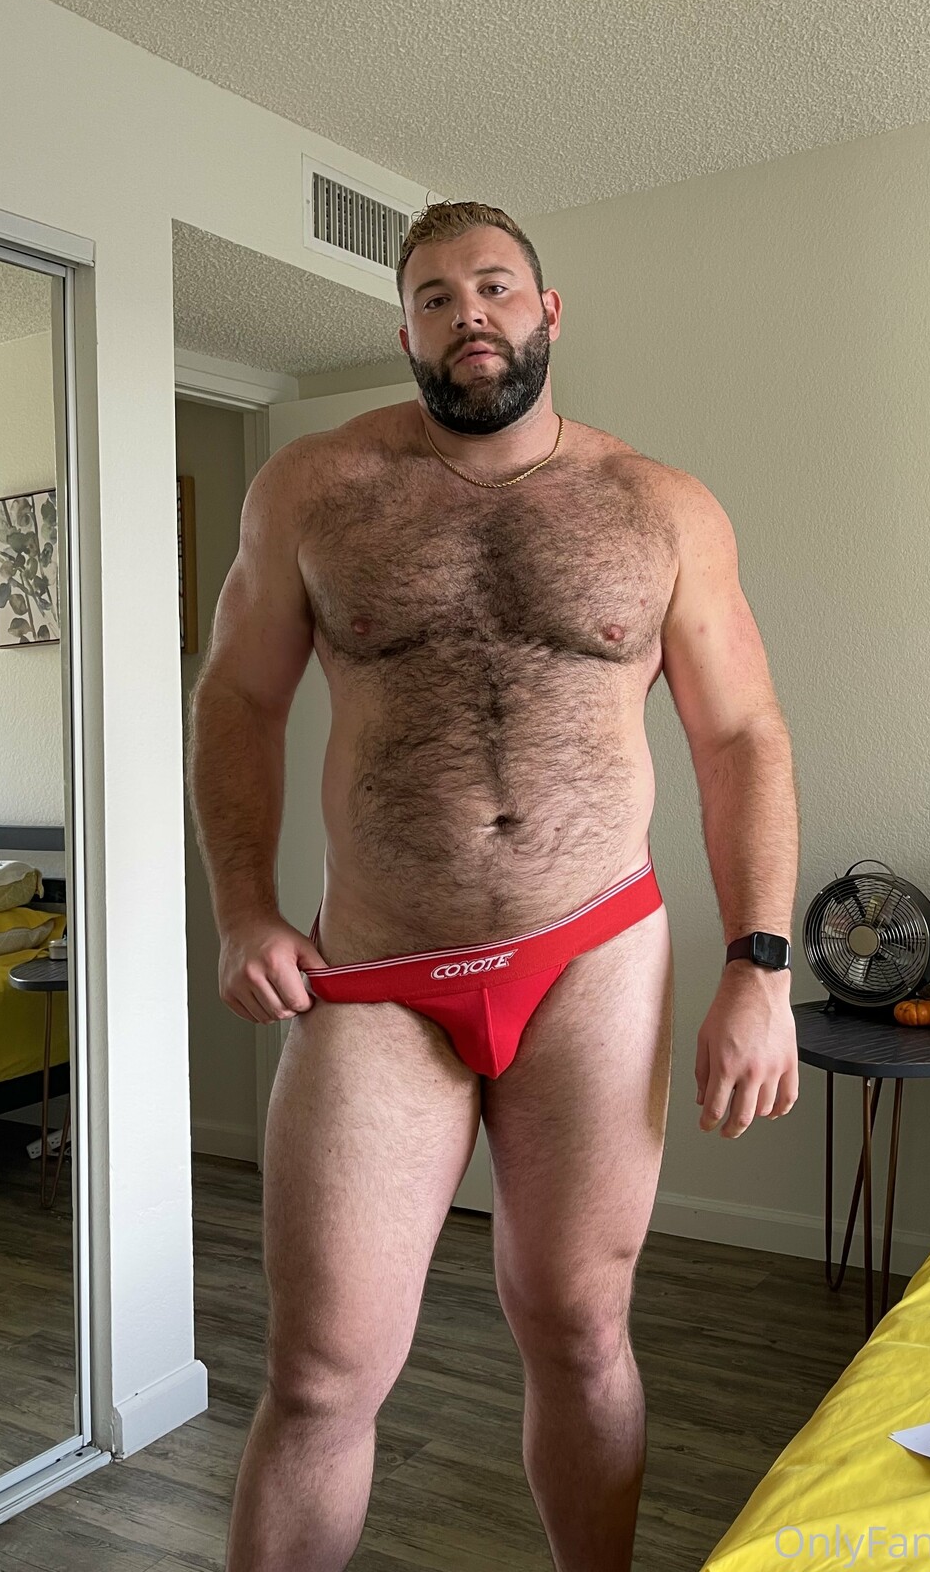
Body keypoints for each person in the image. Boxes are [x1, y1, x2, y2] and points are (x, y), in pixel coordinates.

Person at [188, 199, 800, 1572]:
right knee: (321, 1377)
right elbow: (236, 699)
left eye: (496, 286)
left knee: (578, 1328)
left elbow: (743, 736)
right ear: (405, 329)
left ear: (547, 312)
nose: (469, 312)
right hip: (376, 970)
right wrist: (242, 908)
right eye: (434, 296)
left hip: (592, 956)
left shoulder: (661, 507)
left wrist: (758, 966)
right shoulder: (311, 492)